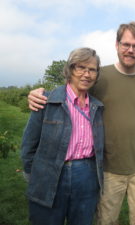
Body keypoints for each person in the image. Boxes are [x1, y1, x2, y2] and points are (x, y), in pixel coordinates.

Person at [28, 22, 135, 225]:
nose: (130, 50)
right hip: (106, 169)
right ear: (117, 45)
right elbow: (69, 93)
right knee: (105, 220)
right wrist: (38, 94)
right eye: (126, 44)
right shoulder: (100, 77)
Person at [22, 47, 104, 225]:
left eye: (92, 69)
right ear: (70, 69)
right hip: (50, 174)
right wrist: (34, 176)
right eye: (80, 67)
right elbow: (29, 145)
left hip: (86, 175)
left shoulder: (97, 107)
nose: (86, 74)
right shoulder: (47, 100)